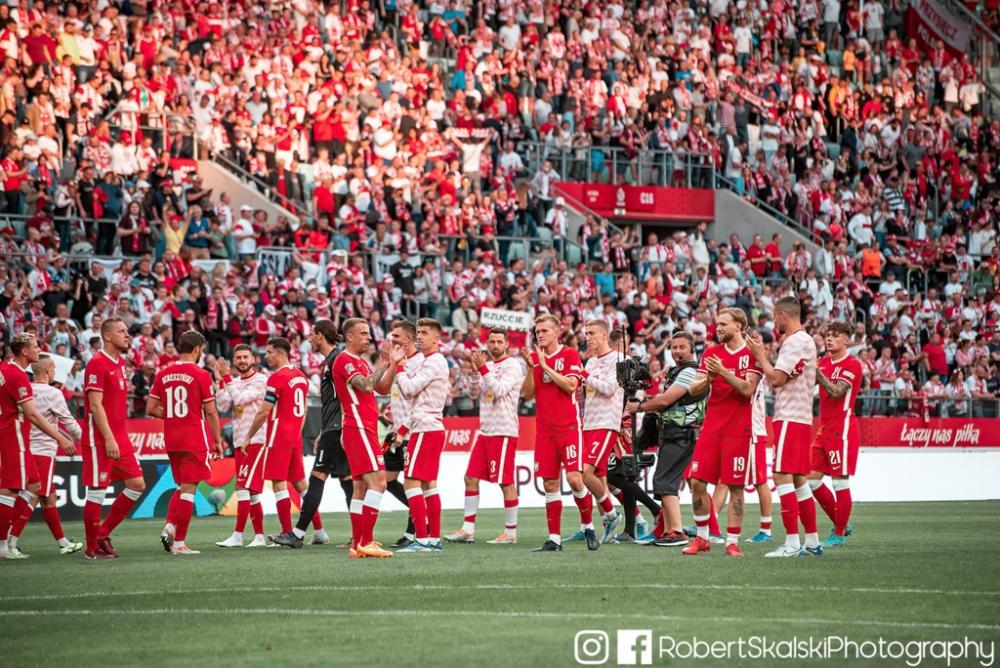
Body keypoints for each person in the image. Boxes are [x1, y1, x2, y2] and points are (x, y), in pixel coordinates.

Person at [746, 297, 822, 557]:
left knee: (781, 476)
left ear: (782, 315)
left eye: (775, 316)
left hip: (790, 416)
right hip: (801, 417)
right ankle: (812, 542)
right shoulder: (806, 341)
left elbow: (776, 379)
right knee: (799, 479)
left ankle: (791, 543)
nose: (774, 320)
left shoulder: (793, 342)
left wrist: (761, 356)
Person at [683, 308, 763, 557]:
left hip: (739, 430)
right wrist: (708, 378)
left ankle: (732, 542)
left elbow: (747, 389)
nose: (717, 329)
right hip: (712, 428)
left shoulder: (752, 353)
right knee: (695, 481)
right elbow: (694, 389)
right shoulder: (711, 352)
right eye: (717, 324)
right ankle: (703, 538)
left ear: (739, 326)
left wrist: (724, 373)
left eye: (723, 324)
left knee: (735, 486)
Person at [626, 331, 706, 547]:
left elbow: (666, 401)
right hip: (672, 432)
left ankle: (676, 532)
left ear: (691, 349)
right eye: (674, 347)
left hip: (682, 432)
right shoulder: (676, 370)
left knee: (665, 481)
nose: (677, 351)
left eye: (682, 347)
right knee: (663, 482)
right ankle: (670, 530)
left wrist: (639, 406)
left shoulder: (690, 371)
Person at [147, 331, 223, 556]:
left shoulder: (164, 373)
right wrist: (217, 440)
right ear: (198, 349)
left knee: (182, 487)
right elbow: (210, 412)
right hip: (193, 437)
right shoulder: (201, 374)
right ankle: (179, 543)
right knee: (189, 490)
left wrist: (172, 415)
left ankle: (170, 527)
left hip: (172, 438)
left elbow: (150, 408)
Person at [445, 328, 525, 544]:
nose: (495, 345)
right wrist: (474, 373)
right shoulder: (487, 366)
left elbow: (498, 390)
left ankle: (510, 533)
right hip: (486, 430)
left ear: (507, 344)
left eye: (499, 341)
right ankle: (468, 530)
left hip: (504, 430)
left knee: (505, 482)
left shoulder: (513, 366)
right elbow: (474, 394)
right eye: (492, 341)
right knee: (470, 477)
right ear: (487, 344)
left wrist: (481, 368)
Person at [331, 318, 402, 559]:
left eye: (369, 333)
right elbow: (366, 385)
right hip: (359, 427)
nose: (369, 337)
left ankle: (358, 544)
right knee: (379, 483)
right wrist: (383, 361)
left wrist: (392, 364)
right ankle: (367, 541)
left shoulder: (359, 361)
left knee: (360, 487)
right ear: (349, 336)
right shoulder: (344, 360)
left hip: (362, 427)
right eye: (363, 333)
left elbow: (381, 388)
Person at [0, 335, 75, 560]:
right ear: (24, 351)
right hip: (14, 436)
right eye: (34, 347)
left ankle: (9, 538)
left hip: (14, 435)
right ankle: (3, 546)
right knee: (9, 490)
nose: (38, 349)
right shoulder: (17, 376)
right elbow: (33, 414)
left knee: (34, 485)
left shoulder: (5, 367)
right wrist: (61, 438)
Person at [272, 320, 345, 549]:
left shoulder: (336, 361)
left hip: (338, 429)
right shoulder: (330, 362)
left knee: (316, 479)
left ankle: (297, 533)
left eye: (313, 335)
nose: (310, 339)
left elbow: (345, 397)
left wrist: (338, 428)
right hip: (335, 428)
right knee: (349, 482)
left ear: (321, 336)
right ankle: (358, 534)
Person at [521, 314, 590, 552]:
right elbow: (527, 394)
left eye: (544, 331)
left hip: (569, 427)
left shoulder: (569, 354)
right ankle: (554, 539)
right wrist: (532, 369)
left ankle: (588, 525)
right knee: (550, 484)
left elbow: (571, 385)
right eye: (537, 332)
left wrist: (545, 365)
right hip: (544, 430)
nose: (539, 335)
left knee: (574, 479)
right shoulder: (535, 359)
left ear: (556, 333)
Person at [81, 318, 147, 560]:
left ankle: (103, 532)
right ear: (107, 337)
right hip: (100, 438)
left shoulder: (120, 363)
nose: (127, 335)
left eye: (127, 331)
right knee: (97, 491)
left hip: (120, 437)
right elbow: (96, 406)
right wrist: (109, 439)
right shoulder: (97, 363)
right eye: (121, 332)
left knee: (137, 484)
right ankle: (91, 549)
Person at [240, 338, 310, 542]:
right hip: (295, 436)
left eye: (269, 352)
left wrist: (248, 437)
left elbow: (263, 413)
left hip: (278, 436)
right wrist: (297, 430)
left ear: (281, 354)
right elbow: (304, 409)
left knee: (279, 483)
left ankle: (287, 531)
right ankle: (320, 531)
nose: (266, 356)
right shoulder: (301, 376)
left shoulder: (276, 379)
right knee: (300, 484)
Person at [395, 318, 452, 553]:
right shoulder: (432, 361)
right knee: (429, 485)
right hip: (429, 426)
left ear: (436, 339)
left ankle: (421, 538)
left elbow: (408, 391)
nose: (419, 336)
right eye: (418, 332)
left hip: (426, 428)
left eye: (425, 333)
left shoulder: (433, 362)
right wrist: (402, 429)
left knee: (411, 481)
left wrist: (398, 366)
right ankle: (433, 539)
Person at [809, 321, 863, 547]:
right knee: (810, 480)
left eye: (835, 336)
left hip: (843, 431)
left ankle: (838, 534)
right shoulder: (823, 363)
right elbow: (815, 391)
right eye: (828, 335)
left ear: (847, 340)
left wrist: (816, 373)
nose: (829, 339)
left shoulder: (852, 364)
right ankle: (841, 522)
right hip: (824, 429)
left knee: (840, 482)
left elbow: (836, 391)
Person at [213, 344, 269, 548]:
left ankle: (238, 535)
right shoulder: (233, 381)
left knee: (242, 486)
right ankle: (260, 536)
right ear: (234, 361)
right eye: (238, 358)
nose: (243, 361)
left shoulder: (261, 380)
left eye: (246, 357)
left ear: (253, 359)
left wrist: (226, 378)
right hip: (239, 441)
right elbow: (223, 406)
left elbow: (240, 398)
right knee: (251, 491)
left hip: (256, 440)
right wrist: (220, 381)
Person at [579, 320, 625, 548]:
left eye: (592, 333)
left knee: (585, 473)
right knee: (599, 478)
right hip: (588, 424)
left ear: (605, 335)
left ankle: (612, 514)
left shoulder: (619, 359)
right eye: (586, 333)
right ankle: (612, 525)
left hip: (606, 423)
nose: (588, 337)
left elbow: (608, 389)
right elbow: (586, 394)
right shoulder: (591, 361)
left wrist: (584, 376)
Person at [380, 320, 420, 548]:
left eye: (395, 336)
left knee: (413, 483)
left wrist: (403, 429)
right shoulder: (396, 362)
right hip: (397, 433)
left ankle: (413, 531)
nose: (391, 339)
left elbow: (419, 403)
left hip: (412, 432)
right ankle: (419, 514)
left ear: (407, 339)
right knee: (388, 480)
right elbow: (385, 389)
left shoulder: (417, 364)